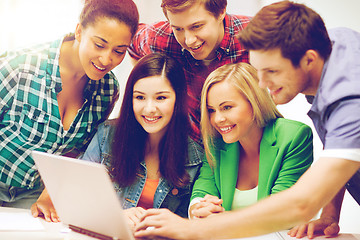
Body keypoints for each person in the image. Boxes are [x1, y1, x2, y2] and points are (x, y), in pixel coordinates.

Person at [133, 1, 360, 239]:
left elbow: (302, 205)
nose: (261, 85)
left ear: (309, 60)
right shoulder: (332, 45)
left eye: (272, 71)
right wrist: (331, 215)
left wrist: (191, 229)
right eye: (258, 70)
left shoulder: (349, 100)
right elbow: (337, 144)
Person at [31, 53, 203, 229]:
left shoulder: (195, 157)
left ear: (178, 99)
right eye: (140, 97)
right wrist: (116, 217)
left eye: (161, 98)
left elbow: (191, 226)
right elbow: (78, 198)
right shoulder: (108, 135)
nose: (149, 108)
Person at [0, 0, 139, 209]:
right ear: (79, 32)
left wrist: (50, 193)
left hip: (35, 195)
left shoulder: (108, 90)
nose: (106, 59)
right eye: (99, 45)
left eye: (119, 51)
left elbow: (76, 153)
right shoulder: (20, 68)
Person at [188, 62, 313, 219]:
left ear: (255, 102)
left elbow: (280, 211)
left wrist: (222, 221)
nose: (217, 119)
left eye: (226, 107)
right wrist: (198, 208)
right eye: (212, 110)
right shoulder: (216, 143)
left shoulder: (294, 137)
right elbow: (204, 186)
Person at [128, 0, 251, 143]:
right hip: (190, 146)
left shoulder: (254, 37)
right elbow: (132, 42)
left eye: (197, 26)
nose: (189, 40)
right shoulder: (159, 38)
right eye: (178, 29)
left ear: (221, 12)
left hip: (244, 146)